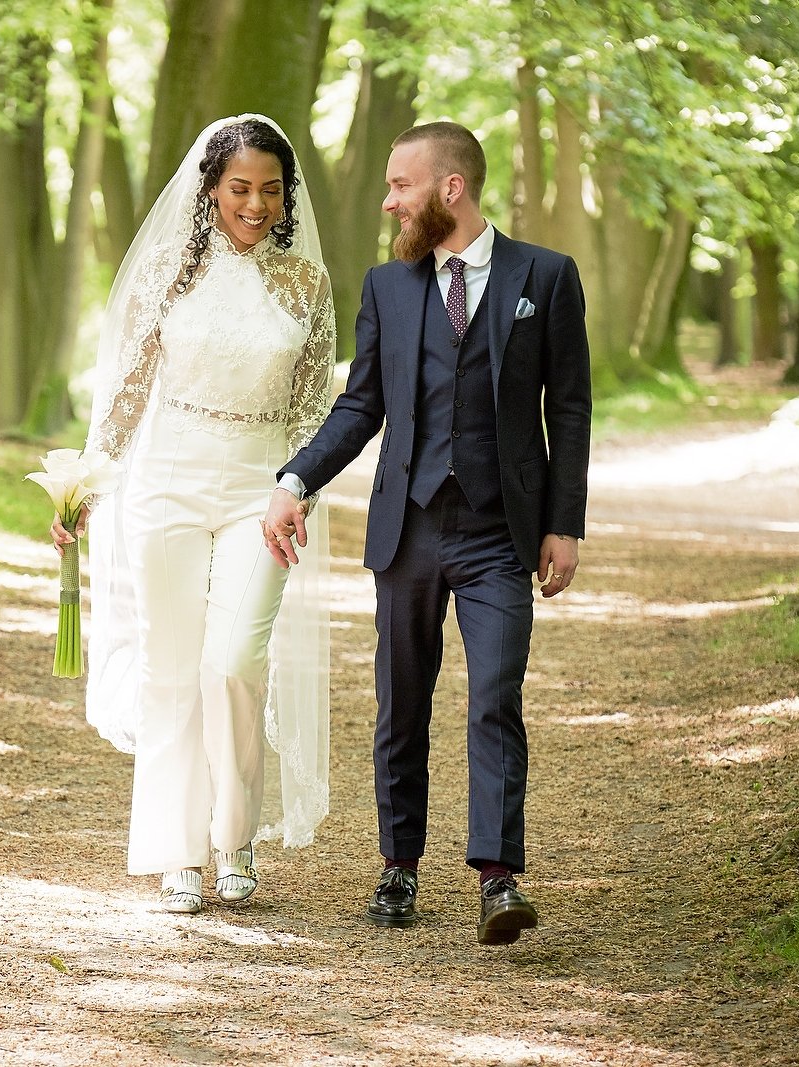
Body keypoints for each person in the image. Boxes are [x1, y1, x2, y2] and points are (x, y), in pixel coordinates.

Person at [261, 121, 591, 944]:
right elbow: (360, 406)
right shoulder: (388, 285)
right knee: (401, 703)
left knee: (494, 696)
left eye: (400, 184)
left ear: (452, 187)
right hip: (407, 529)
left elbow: (571, 408)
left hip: (497, 535)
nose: (388, 200)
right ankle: (398, 865)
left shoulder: (545, 277)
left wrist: (564, 524)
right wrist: (295, 480)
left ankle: (498, 878)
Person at [51, 115, 335, 915]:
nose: (255, 205)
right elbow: (125, 400)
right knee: (172, 667)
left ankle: (234, 834)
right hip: (167, 482)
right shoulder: (164, 278)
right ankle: (178, 849)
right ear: (211, 188)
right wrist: (84, 486)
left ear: (288, 198)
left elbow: (315, 411)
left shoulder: (307, 287)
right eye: (240, 188)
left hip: (261, 492)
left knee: (234, 658)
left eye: (271, 191)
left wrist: (299, 485)